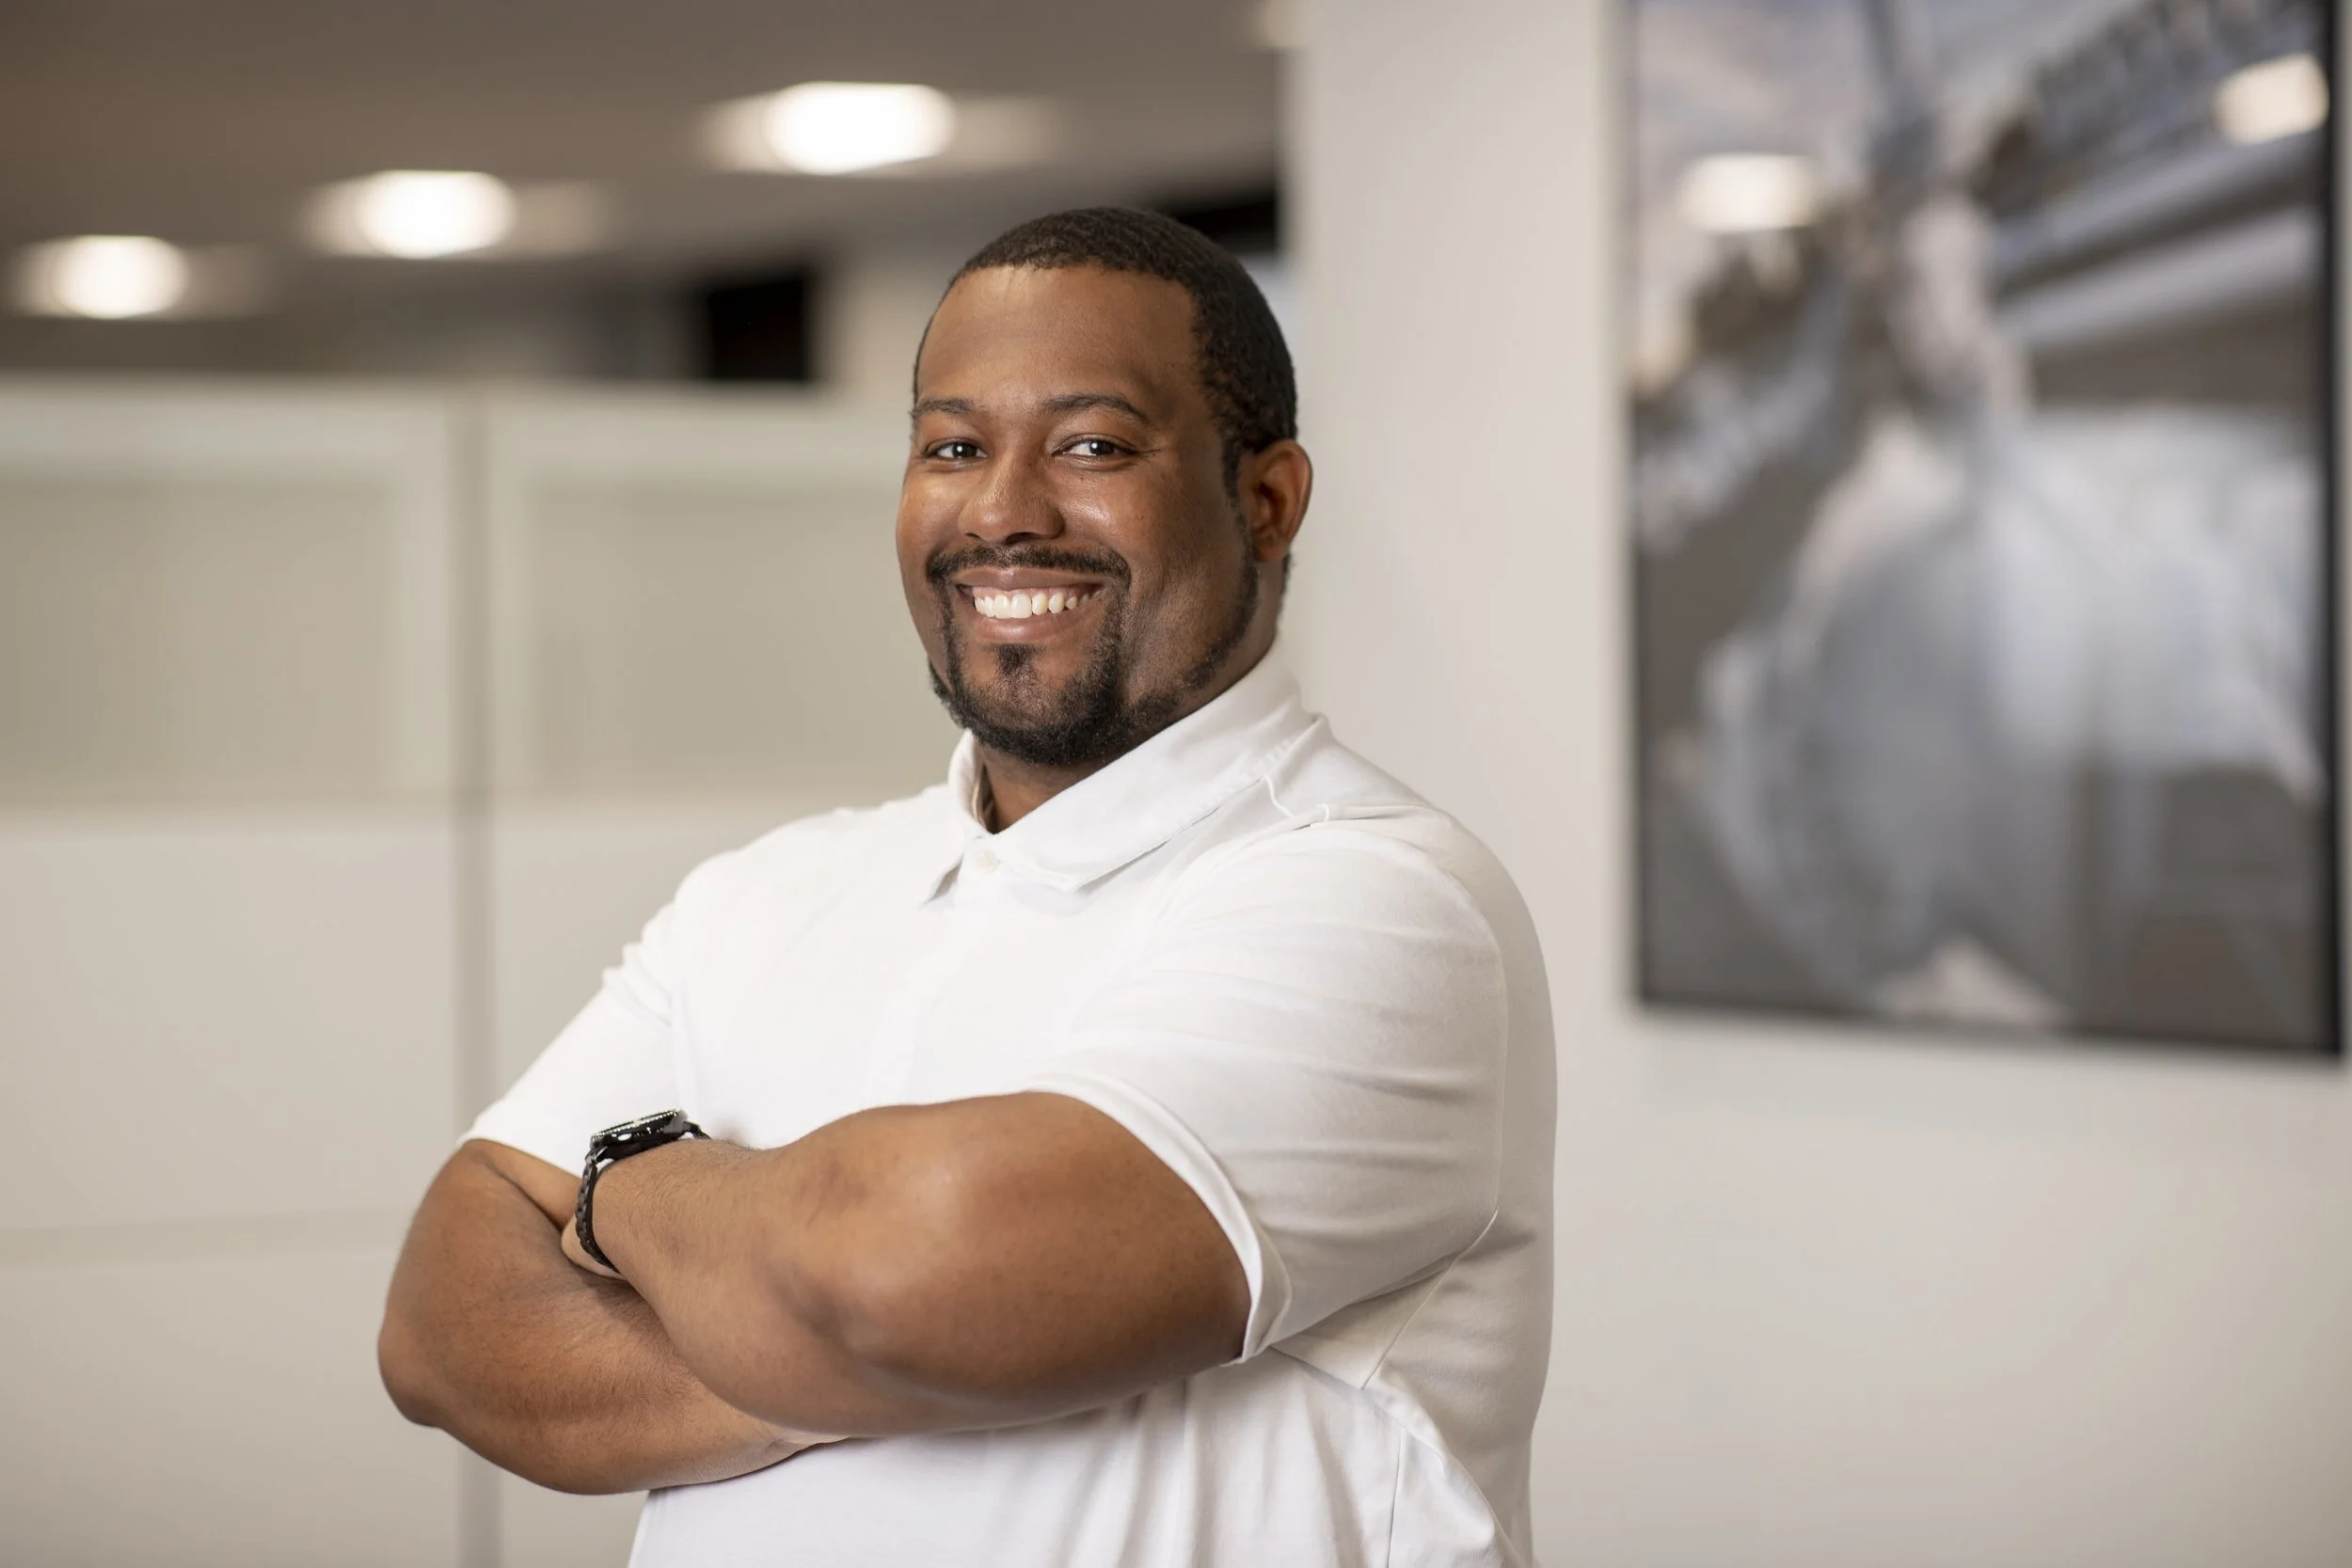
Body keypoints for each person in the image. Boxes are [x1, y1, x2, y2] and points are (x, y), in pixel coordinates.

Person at [378, 207, 1554, 1567]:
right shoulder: (766, 892)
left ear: (1268, 497)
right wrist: (827, 1338)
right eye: (952, 445)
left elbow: (900, 1282)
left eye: (1093, 445)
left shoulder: (1378, 899)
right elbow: (444, 1327)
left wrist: (615, 1188)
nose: (1002, 511)